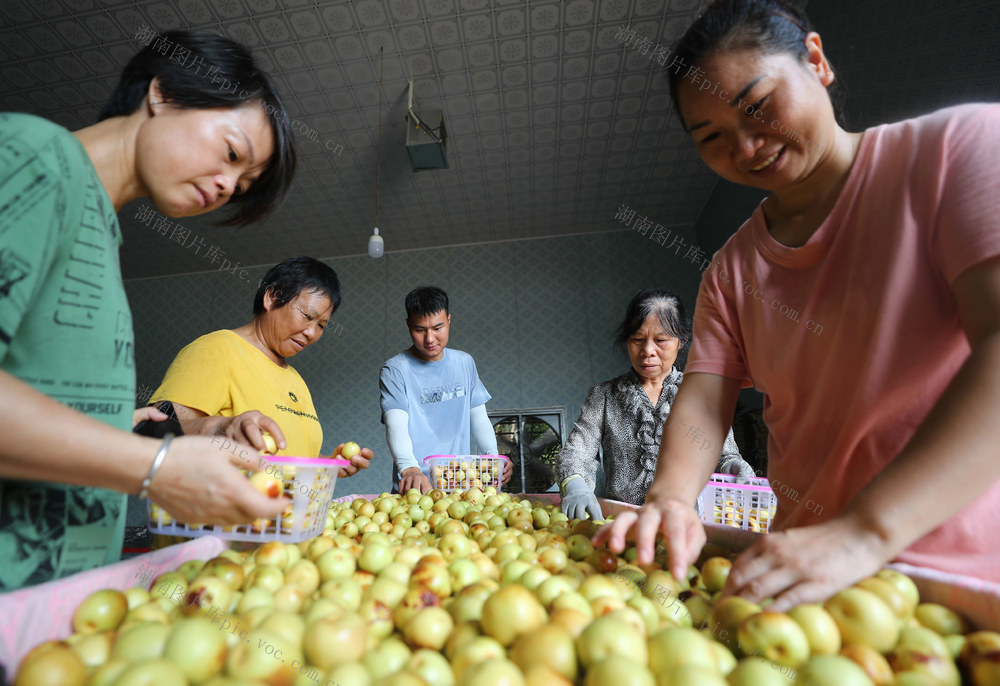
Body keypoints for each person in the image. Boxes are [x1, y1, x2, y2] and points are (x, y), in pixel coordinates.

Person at [597, 0, 1000, 609]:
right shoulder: (731, 271)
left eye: (758, 107)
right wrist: (672, 500)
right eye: (712, 138)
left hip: (962, 578)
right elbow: (706, 400)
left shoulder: (955, 151)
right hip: (799, 577)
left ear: (816, 60)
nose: (749, 145)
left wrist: (864, 533)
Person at [0, 30, 297, 589]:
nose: (227, 186)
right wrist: (156, 470)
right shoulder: (37, 159)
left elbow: (63, 422)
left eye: (242, 183)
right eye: (232, 154)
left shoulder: (100, 236)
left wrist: (211, 432)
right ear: (162, 93)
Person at [149, 256, 373, 474]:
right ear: (271, 298)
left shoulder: (294, 378)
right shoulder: (216, 349)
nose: (312, 333)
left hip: (288, 511)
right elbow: (157, 430)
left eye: (322, 325)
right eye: (307, 316)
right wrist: (220, 427)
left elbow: (284, 461)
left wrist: (330, 463)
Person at [557, 290, 753, 520]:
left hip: (686, 524)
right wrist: (576, 486)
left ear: (682, 340)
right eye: (638, 340)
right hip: (625, 522)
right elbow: (577, 452)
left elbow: (723, 453)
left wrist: (733, 466)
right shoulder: (604, 396)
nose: (647, 351)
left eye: (661, 340)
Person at [380, 286, 511, 494]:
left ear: (449, 320)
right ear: (408, 325)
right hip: (416, 487)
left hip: (460, 486)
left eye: (437, 328)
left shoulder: (465, 363)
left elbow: (479, 418)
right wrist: (409, 469)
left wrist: (493, 459)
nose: (430, 339)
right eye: (420, 330)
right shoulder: (395, 370)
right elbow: (395, 424)